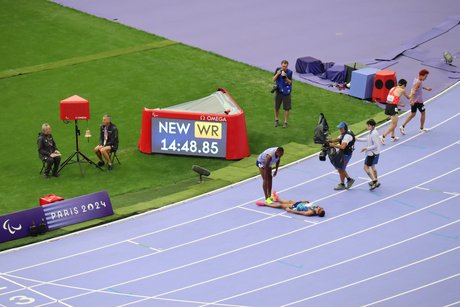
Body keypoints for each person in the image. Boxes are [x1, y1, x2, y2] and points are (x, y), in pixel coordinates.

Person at [400, 69, 432, 134]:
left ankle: (402, 126)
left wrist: (426, 88)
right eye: (425, 76)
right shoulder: (419, 82)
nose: (426, 78)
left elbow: (418, 87)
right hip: (417, 101)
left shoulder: (417, 79)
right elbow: (413, 90)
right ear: (421, 75)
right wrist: (412, 100)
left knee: (413, 114)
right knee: (423, 113)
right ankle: (422, 128)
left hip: (414, 100)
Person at [380, 79, 410, 144]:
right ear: (403, 85)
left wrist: (400, 104)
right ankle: (383, 136)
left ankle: (392, 136)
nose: (404, 87)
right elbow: (408, 97)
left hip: (388, 106)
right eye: (405, 86)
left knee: (393, 123)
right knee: (394, 124)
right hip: (393, 107)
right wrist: (413, 92)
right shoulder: (402, 90)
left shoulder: (393, 88)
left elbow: (390, 100)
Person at [327, 122, 356, 190]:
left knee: (340, 169)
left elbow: (342, 147)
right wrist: (329, 140)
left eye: (341, 128)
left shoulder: (347, 136)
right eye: (339, 128)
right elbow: (338, 139)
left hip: (346, 154)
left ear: (344, 128)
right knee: (340, 168)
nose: (339, 129)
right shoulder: (345, 132)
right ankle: (349, 180)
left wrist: (332, 145)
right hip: (343, 153)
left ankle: (342, 184)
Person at [356, 119, 381, 190]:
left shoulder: (374, 134)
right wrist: (357, 139)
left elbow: (375, 145)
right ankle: (376, 181)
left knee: (365, 167)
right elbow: (367, 139)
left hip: (372, 154)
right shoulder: (372, 132)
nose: (367, 127)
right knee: (373, 167)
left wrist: (366, 148)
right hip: (374, 153)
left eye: (369, 125)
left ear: (372, 126)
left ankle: (374, 181)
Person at [257, 192, 325, 217]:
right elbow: (309, 204)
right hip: (300, 203)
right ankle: (277, 199)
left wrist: (290, 210)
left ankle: (265, 204)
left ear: (317, 212)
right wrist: (304, 201)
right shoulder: (316, 207)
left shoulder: (310, 212)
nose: (320, 208)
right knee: (289, 201)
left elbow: (302, 213)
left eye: (319, 209)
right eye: (321, 208)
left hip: (295, 207)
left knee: (281, 206)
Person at [272, 60, 293, 128]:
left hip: (286, 92)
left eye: (286, 66)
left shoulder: (290, 72)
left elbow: (290, 82)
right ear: (281, 65)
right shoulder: (278, 70)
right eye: (283, 66)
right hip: (278, 91)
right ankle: (276, 120)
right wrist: (278, 74)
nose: (284, 67)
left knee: (286, 108)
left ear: (287, 66)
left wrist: (286, 77)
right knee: (276, 107)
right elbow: (273, 79)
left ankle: (285, 122)